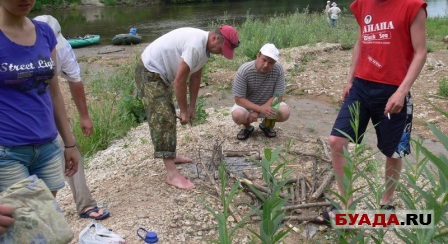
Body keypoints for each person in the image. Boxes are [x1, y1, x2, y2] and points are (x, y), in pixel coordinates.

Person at [312, 0, 427, 224]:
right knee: (336, 141)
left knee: (392, 150)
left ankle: (386, 203)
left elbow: (421, 52)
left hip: (392, 89)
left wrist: (401, 91)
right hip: (362, 86)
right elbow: (361, 42)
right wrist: (350, 78)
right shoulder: (363, 3)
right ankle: (347, 205)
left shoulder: (413, 5)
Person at [0, 0, 78, 197]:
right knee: (23, 227)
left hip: (48, 146)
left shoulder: (44, 32)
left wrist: (69, 143)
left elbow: (54, 93)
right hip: (7, 151)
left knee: (47, 224)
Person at [135, 25, 240, 190]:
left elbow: (195, 77)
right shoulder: (195, 45)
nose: (221, 53)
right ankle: (172, 174)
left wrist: (192, 107)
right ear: (214, 38)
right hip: (149, 71)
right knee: (163, 116)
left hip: (162, 75)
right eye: (222, 48)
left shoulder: (206, 50)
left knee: (168, 112)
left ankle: (171, 154)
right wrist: (183, 111)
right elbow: (179, 81)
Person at [34, 15, 110, 220]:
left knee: (70, 149)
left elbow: (73, 80)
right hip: (15, 115)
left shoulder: (62, 47)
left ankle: (85, 204)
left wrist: (84, 116)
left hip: (48, 106)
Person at [232, 43, 290, 140]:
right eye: (264, 60)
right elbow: (239, 99)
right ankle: (246, 127)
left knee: (285, 112)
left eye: (271, 62)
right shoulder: (244, 70)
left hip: (268, 104)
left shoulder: (278, 69)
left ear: (275, 62)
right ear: (258, 56)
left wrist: (258, 111)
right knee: (238, 115)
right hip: (247, 105)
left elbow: (278, 96)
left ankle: (266, 125)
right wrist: (258, 109)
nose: (266, 65)